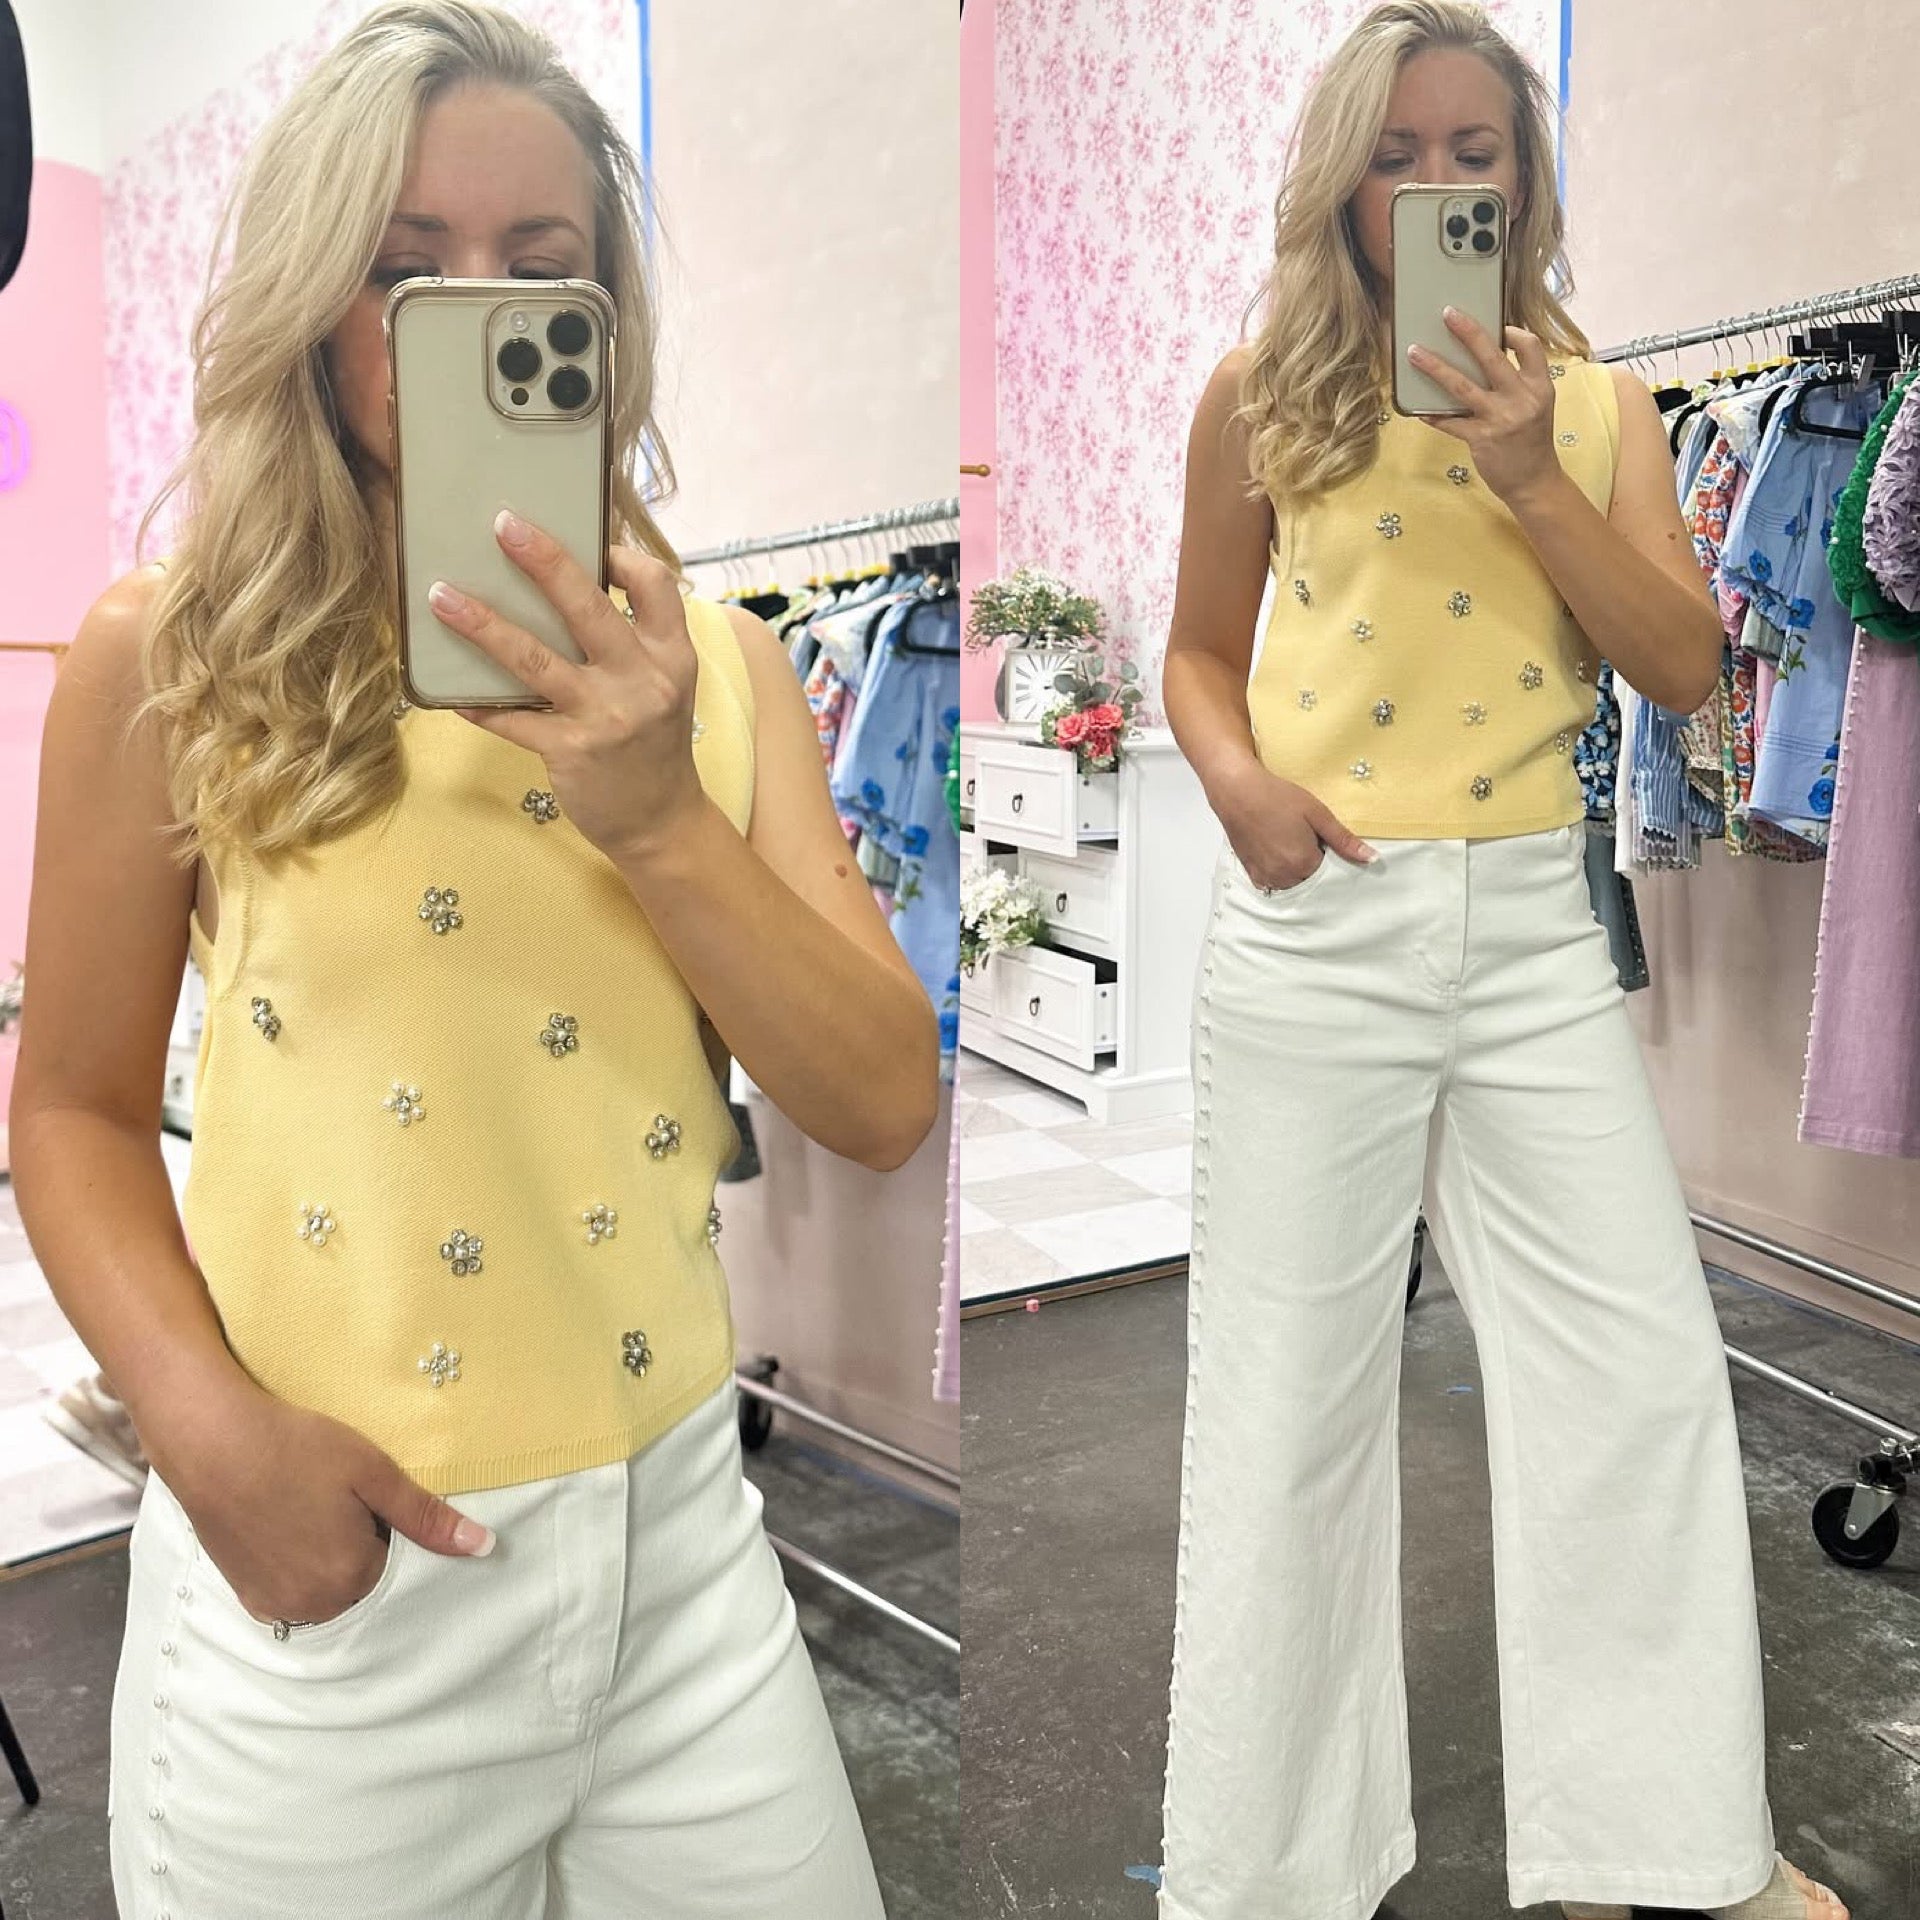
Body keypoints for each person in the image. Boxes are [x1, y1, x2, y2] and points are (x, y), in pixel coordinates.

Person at [10, 4, 936, 1914]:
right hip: (338, 1595)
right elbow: (74, 1111)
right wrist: (210, 1442)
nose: (474, 312)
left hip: (688, 1564)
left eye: (540, 265)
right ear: (312, 303)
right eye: (404, 267)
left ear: (604, 320)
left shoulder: (727, 671)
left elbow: (880, 1102)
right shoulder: (171, 661)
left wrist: (658, 815)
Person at [1154, 6, 1848, 1919]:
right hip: (1317, 925)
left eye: (1477, 153)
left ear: (1525, 182)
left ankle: (1667, 1846)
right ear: (1340, 186)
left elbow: (1685, 666)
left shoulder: (1602, 407)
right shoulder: (1261, 398)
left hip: (1536, 931)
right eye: (1398, 154)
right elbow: (1196, 652)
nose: (1439, 185)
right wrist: (1238, 789)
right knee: (1286, 1407)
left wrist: (1534, 470)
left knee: (1638, 1378)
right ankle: (1264, 1874)